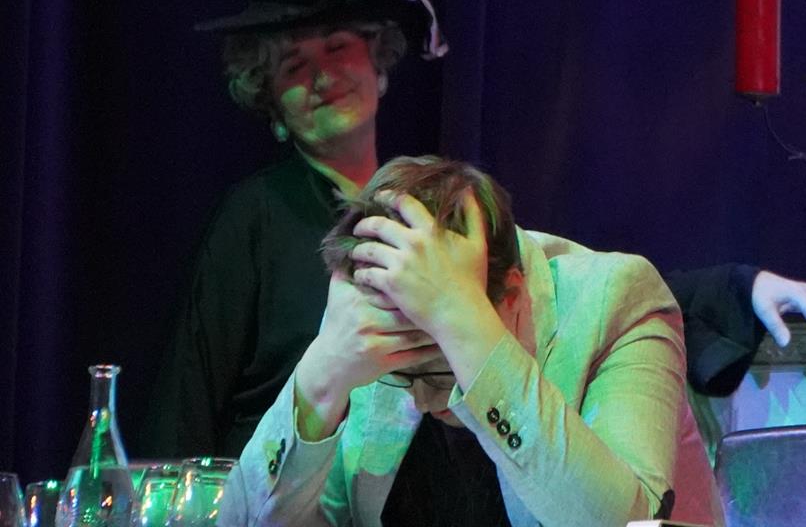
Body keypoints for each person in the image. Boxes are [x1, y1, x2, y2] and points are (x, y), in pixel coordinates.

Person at [145, 0, 806, 458]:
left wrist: (739, 288)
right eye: (294, 67)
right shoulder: (254, 217)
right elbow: (185, 406)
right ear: (270, 101)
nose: (323, 76)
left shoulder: (435, 204)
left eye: (337, 48)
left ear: (379, 62)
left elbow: (564, 300)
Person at [220, 154, 710, 526]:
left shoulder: (617, 300)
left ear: (511, 294)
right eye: (401, 375)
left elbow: (624, 523)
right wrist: (321, 375)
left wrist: (466, 329)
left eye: (437, 368)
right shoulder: (377, 321)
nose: (421, 401)